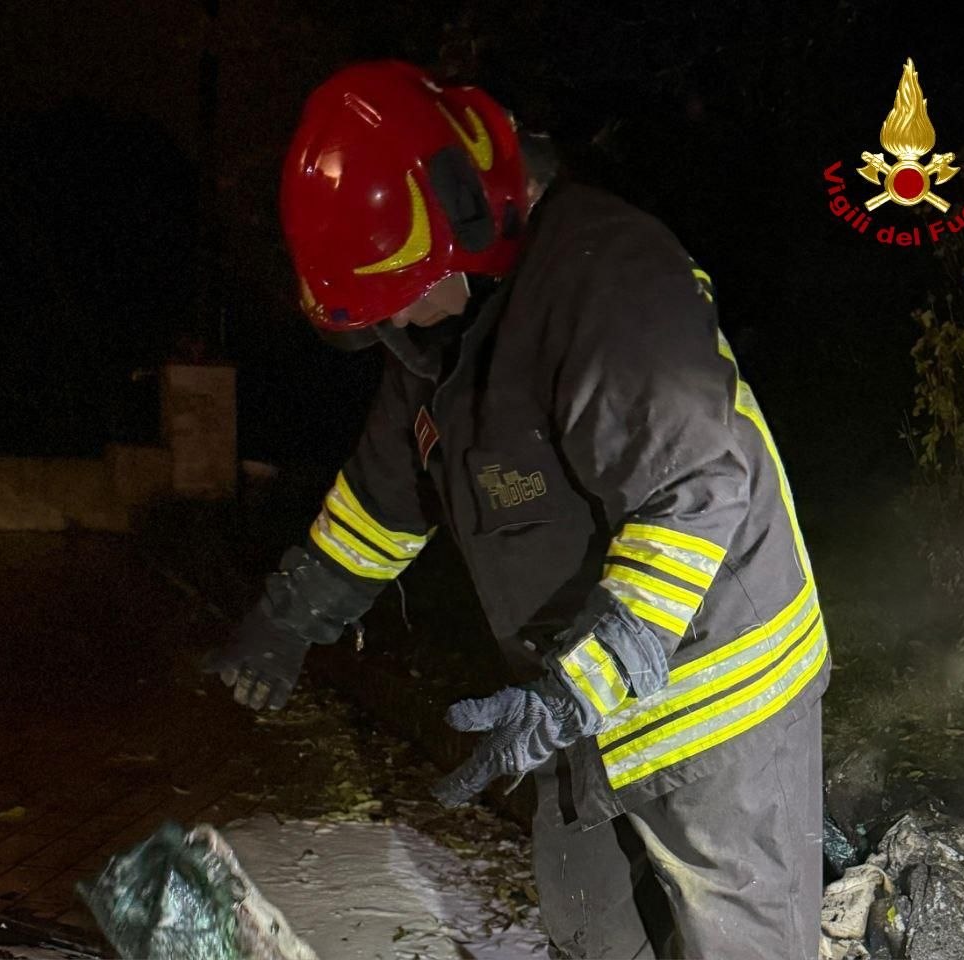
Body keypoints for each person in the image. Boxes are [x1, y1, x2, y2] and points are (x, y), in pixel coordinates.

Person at [203, 60, 830, 960]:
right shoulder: (436, 341)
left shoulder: (606, 276)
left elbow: (695, 491)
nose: (402, 323)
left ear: (465, 213)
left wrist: (588, 678)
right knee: (591, 934)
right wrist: (289, 614)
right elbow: (386, 496)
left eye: (407, 293)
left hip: (716, 695)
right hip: (575, 701)